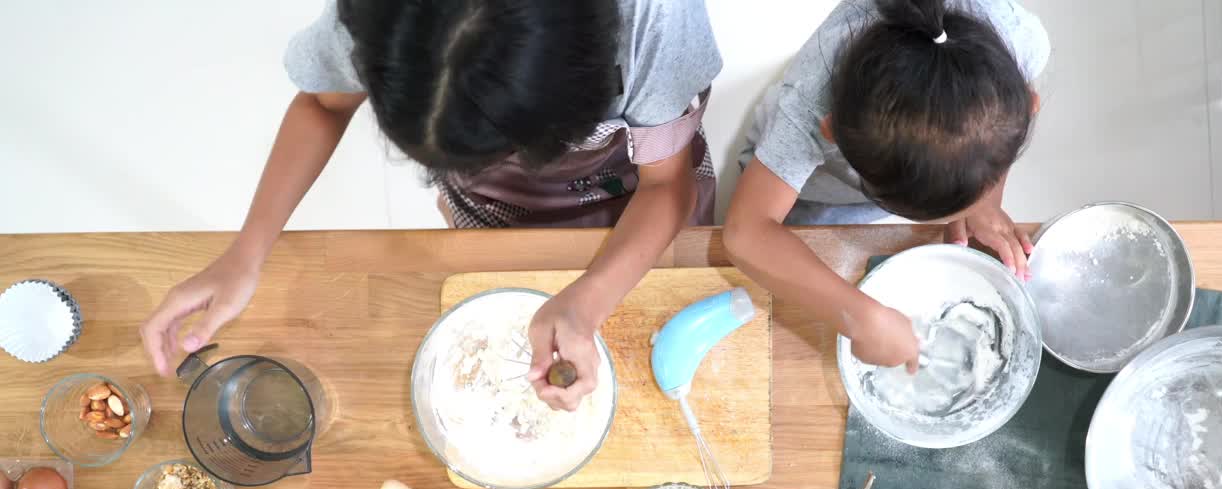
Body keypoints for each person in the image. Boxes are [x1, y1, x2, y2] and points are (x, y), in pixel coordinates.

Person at [140, 0, 722, 410]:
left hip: (637, 199)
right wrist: (246, 253)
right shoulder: (383, 19)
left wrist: (588, 302)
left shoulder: (652, 16)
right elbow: (322, 106)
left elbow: (666, 186)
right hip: (491, 218)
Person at [724, 0, 1048, 371]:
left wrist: (985, 201)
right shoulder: (810, 106)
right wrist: (860, 318)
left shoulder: (1012, 38)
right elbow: (745, 231)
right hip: (812, 191)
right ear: (831, 134)